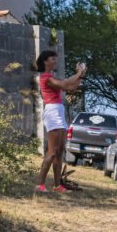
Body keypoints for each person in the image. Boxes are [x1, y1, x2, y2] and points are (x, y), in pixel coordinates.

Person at [35, 51, 85, 193]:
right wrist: (79, 72)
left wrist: (80, 75)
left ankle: (57, 186)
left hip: (59, 111)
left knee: (60, 152)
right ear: (45, 61)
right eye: (52, 59)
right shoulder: (45, 77)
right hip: (52, 112)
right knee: (52, 152)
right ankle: (40, 185)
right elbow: (64, 84)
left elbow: (71, 88)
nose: (55, 61)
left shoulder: (52, 77)